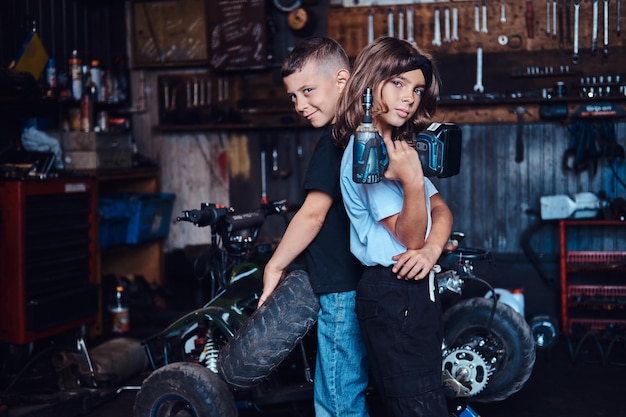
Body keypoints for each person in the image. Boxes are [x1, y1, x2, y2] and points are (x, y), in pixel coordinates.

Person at [334, 36, 453, 417]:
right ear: (370, 84)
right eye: (398, 84)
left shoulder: (400, 146)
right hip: (390, 290)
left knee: (427, 395)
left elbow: (443, 210)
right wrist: (413, 182)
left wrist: (432, 252)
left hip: (415, 284)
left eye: (417, 89)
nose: (410, 98)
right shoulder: (366, 149)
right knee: (413, 404)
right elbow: (409, 235)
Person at [258, 37, 370, 417]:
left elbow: (312, 214)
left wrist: (274, 266)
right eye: (293, 96)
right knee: (348, 387)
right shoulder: (363, 130)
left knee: (337, 399)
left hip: (340, 288)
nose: (300, 105)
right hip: (357, 282)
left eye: (308, 90)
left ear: (342, 79)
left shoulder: (337, 138)